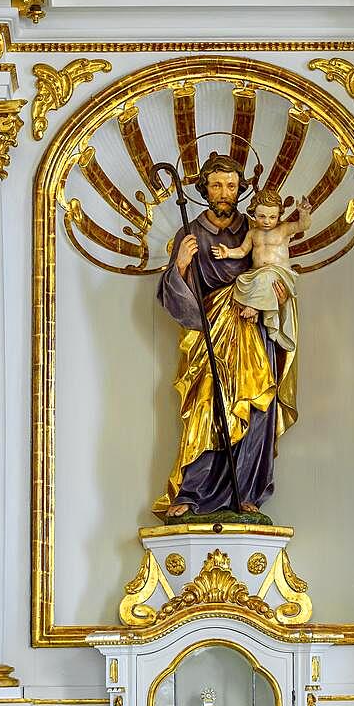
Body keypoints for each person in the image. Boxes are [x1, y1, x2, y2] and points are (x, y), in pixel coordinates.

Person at [154, 154, 297, 520]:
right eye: (217, 184)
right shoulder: (189, 234)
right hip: (211, 330)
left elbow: (277, 271)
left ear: (240, 189)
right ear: (205, 188)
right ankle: (194, 492)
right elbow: (172, 297)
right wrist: (181, 265)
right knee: (207, 407)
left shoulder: (256, 230)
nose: (224, 192)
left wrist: (277, 291)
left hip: (250, 326)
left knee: (255, 405)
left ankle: (246, 492)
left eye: (231, 185)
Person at [211, 188, 312, 353]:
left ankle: (254, 308)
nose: (267, 221)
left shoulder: (284, 229)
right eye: (261, 216)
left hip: (279, 273)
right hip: (257, 273)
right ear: (254, 214)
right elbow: (243, 251)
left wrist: (304, 213)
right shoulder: (252, 233)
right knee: (241, 281)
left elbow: (303, 225)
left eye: (272, 217)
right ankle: (255, 309)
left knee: (266, 277)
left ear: (279, 215)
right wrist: (227, 252)